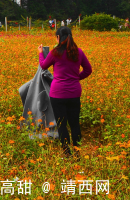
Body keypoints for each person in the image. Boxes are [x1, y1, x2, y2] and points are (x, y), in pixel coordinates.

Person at [38, 26, 92, 156]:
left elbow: (44, 66)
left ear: (58, 38)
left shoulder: (55, 53)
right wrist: (76, 78)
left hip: (58, 94)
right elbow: (88, 70)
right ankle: (77, 153)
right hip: (74, 93)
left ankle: (67, 153)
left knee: (62, 125)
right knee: (74, 124)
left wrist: (40, 52)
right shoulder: (78, 52)